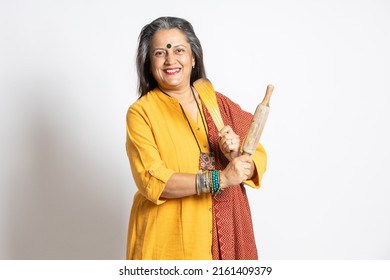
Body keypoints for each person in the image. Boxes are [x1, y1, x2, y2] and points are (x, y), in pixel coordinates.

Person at [125, 16, 267, 260]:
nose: (171, 60)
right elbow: (151, 180)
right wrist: (220, 178)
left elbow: (256, 156)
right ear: (149, 63)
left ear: (193, 58)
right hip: (169, 237)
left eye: (179, 50)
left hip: (227, 229)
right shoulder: (142, 113)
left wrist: (238, 155)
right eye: (160, 53)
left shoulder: (218, 103)